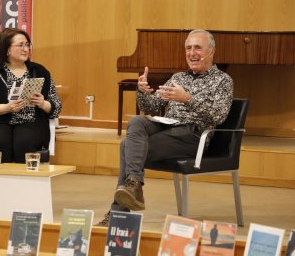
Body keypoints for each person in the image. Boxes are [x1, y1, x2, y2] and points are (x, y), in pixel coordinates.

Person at [97, 29, 233, 226]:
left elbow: (218, 116)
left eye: (197, 48)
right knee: (136, 121)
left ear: (211, 51)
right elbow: (151, 107)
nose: (192, 53)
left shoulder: (223, 81)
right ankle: (134, 183)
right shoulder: (178, 77)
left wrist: (188, 99)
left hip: (193, 135)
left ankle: (119, 212)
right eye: (188, 48)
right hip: (167, 128)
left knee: (127, 146)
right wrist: (142, 91)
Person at [0, 28, 62, 163]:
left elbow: (57, 106)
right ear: (7, 49)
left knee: (24, 142)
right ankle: (0, 182)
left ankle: (24, 183)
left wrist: (43, 103)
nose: (26, 49)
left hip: (31, 122)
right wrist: (6, 108)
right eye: (21, 45)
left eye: (27, 45)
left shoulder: (40, 71)